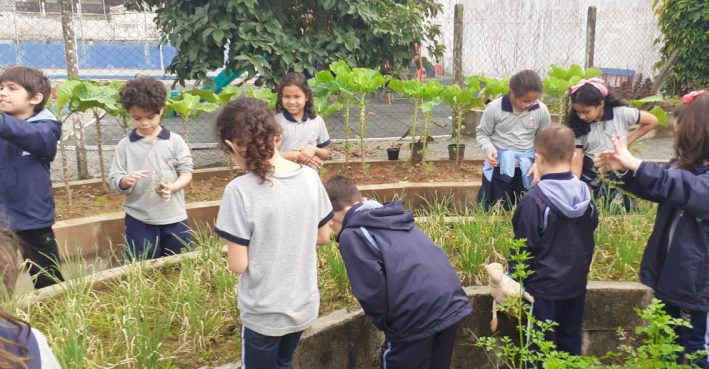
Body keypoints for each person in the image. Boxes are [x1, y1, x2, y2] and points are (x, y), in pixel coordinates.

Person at [595, 92, 709, 368]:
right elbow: (660, 187)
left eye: (681, 136)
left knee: (696, 349)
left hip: (696, 283)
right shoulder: (692, 168)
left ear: (701, 135)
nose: (677, 142)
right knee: (666, 343)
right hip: (670, 276)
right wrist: (623, 171)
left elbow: (685, 189)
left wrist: (637, 164)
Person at [213, 97, 332, 369]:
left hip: (264, 314)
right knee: (283, 362)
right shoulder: (310, 177)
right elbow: (323, 237)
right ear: (278, 137)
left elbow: (238, 264)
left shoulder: (239, 191)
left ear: (231, 146)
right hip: (302, 304)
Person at [324, 175, 472, 369]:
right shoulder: (393, 215)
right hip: (450, 301)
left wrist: (389, 324)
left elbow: (371, 291)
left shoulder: (353, 234)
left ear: (333, 215)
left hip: (414, 313)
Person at [509, 125, 598, 357]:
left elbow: (523, 248)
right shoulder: (585, 195)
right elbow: (591, 230)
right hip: (576, 285)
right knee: (570, 344)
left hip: (542, 291)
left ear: (538, 158)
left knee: (537, 348)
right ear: (573, 156)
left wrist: (515, 281)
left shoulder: (535, 201)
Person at [108, 77, 193, 260]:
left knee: (180, 264)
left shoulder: (174, 141)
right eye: (136, 118)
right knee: (140, 265)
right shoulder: (125, 146)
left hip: (174, 217)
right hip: (138, 219)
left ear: (161, 111)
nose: (144, 123)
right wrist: (125, 180)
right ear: (129, 114)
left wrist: (173, 187)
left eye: (150, 117)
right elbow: (115, 180)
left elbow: (186, 173)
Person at [0, 66, 63, 289]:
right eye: (1, 87)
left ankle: (58, 316)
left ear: (35, 98)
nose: (3, 92)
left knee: (48, 279)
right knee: (3, 279)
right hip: (1, 219)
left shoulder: (46, 129)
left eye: (12, 88)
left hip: (33, 219)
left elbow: (32, 137)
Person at [565, 78, 658, 211]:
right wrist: (574, 187)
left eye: (586, 112)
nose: (581, 116)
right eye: (578, 112)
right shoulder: (578, 126)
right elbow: (577, 161)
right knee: (595, 209)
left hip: (618, 173)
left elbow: (652, 121)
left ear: (601, 104)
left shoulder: (620, 114)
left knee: (622, 209)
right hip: (592, 175)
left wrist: (626, 142)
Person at [476, 69, 551, 211]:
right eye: (525, 101)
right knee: (496, 208)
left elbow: (545, 139)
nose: (529, 104)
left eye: (534, 101)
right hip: (499, 167)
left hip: (528, 168)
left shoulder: (541, 110)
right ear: (512, 92)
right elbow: (482, 133)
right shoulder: (494, 108)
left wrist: (539, 165)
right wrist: (489, 148)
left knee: (527, 210)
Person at [0, 228, 62, 369]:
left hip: (33, 224)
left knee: (48, 279)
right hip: (31, 224)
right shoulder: (24, 341)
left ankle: (54, 315)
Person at [275, 72, 331, 169]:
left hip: (309, 179)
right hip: (281, 178)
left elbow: (326, 154)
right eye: (287, 96)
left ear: (307, 97)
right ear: (281, 97)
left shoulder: (317, 121)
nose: (292, 101)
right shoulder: (274, 121)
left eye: (297, 96)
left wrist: (314, 150)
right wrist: (297, 155)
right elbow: (267, 155)